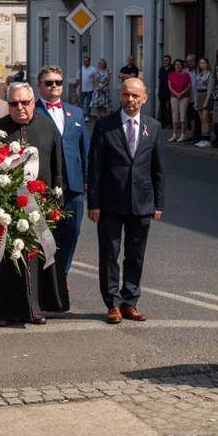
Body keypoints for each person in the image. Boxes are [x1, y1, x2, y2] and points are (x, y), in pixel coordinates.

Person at [0, 82, 69, 326]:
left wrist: (57, 202)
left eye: (24, 102)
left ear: (33, 102)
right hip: (5, 208)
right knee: (6, 261)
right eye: (13, 103)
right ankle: (4, 312)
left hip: (39, 206)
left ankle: (35, 308)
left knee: (36, 258)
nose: (19, 107)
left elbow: (57, 167)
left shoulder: (47, 126)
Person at [87, 78, 166, 324]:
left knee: (136, 254)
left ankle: (130, 301)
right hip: (111, 201)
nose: (129, 100)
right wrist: (94, 203)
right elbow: (95, 167)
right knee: (109, 253)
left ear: (144, 98)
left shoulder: (153, 127)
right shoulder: (104, 125)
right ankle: (112, 304)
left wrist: (159, 202)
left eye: (134, 96)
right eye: (125, 95)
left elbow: (158, 168)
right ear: (120, 96)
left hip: (142, 202)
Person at [36, 66, 89, 279]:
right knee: (47, 236)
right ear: (39, 86)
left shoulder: (75, 112)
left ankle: (62, 276)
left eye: (58, 82)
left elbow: (85, 149)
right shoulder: (33, 112)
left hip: (73, 185)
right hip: (46, 187)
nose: (54, 86)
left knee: (71, 232)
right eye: (49, 83)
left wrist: (87, 180)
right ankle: (46, 280)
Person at [167, 59, 192, 142]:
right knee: (174, 115)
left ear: (182, 66)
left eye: (179, 64)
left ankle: (182, 134)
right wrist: (176, 93)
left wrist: (181, 93)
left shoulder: (186, 75)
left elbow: (188, 86)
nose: (178, 66)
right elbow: (170, 86)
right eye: (176, 64)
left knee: (182, 115)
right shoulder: (171, 74)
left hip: (184, 97)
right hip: (174, 96)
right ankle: (174, 135)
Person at [192, 57, 213, 148]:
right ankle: (202, 137)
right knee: (201, 119)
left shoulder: (210, 75)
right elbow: (196, 89)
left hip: (205, 95)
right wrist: (195, 101)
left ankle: (207, 138)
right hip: (199, 95)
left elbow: (210, 90)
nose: (202, 65)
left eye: (203, 63)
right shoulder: (198, 75)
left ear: (207, 64)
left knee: (205, 118)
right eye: (200, 63)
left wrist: (206, 101)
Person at [156, 55, 174, 129]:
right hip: (162, 91)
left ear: (170, 61)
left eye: (166, 60)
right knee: (162, 107)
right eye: (164, 60)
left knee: (170, 108)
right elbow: (160, 79)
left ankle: (169, 123)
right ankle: (162, 123)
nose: (165, 62)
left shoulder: (172, 69)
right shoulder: (162, 69)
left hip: (170, 91)